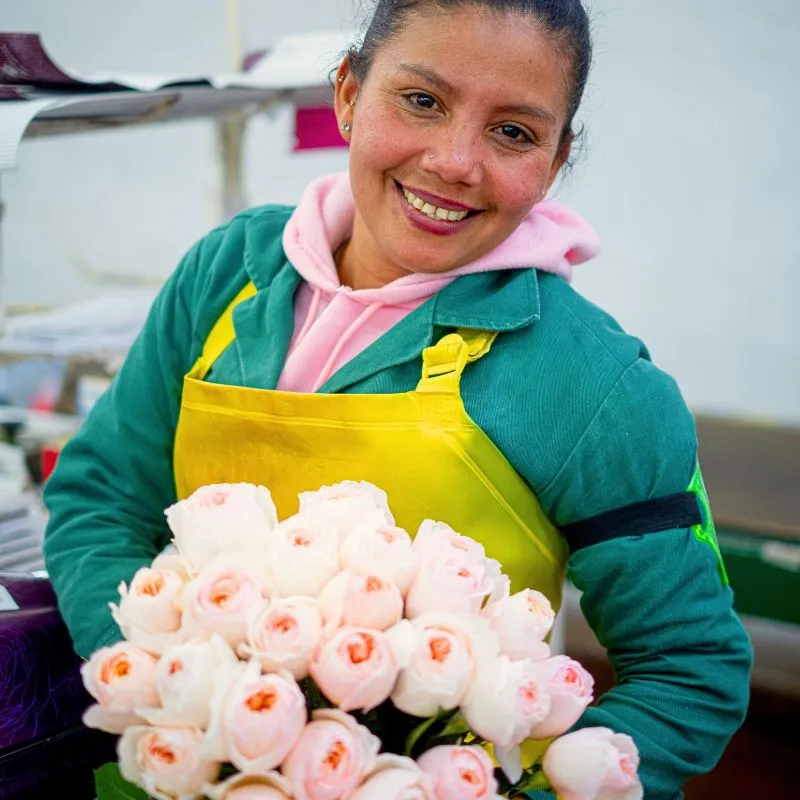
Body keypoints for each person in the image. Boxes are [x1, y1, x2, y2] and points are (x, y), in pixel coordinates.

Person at [43, 1, 752, 797]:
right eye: (422, 100)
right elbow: (102, 496)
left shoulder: (593, 381)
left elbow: (690, 667)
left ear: (555, 164)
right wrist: (171, 692)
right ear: (347, 93)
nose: (455, 161)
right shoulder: (227, 273)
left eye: (514, 132)